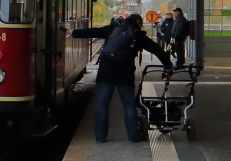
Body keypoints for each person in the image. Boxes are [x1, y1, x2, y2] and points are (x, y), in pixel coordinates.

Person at [71, 13, 173, 143]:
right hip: (125, 74)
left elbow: (92, 31)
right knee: (129, 105)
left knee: (102, 105)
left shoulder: (113, 29)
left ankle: (100, 137)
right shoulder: (138, 35)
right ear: (139, 23)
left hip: (105, 73)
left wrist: (73, 32)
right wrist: (168, 66)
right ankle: (133, 137)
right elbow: (158, 50)